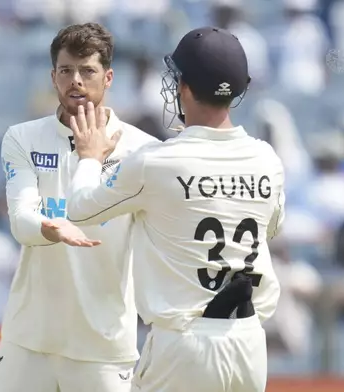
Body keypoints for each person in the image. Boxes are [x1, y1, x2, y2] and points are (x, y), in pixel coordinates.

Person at [65, 27, 284, 392]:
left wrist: (89, 157)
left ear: (183, 87)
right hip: (248, 341)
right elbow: (270, 228)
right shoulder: (267, 158)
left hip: (186, 344)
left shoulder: (156, 162)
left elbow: (80, 210)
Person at [0, 23, 157, 392]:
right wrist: (52, 228)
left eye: (87, 71)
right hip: (29, 341)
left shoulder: (142, 150)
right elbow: (21, 221)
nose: (76, 81)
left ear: (108, 77)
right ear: (53, 77)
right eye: (66, 71)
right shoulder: (22, 137)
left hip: (103, 347)